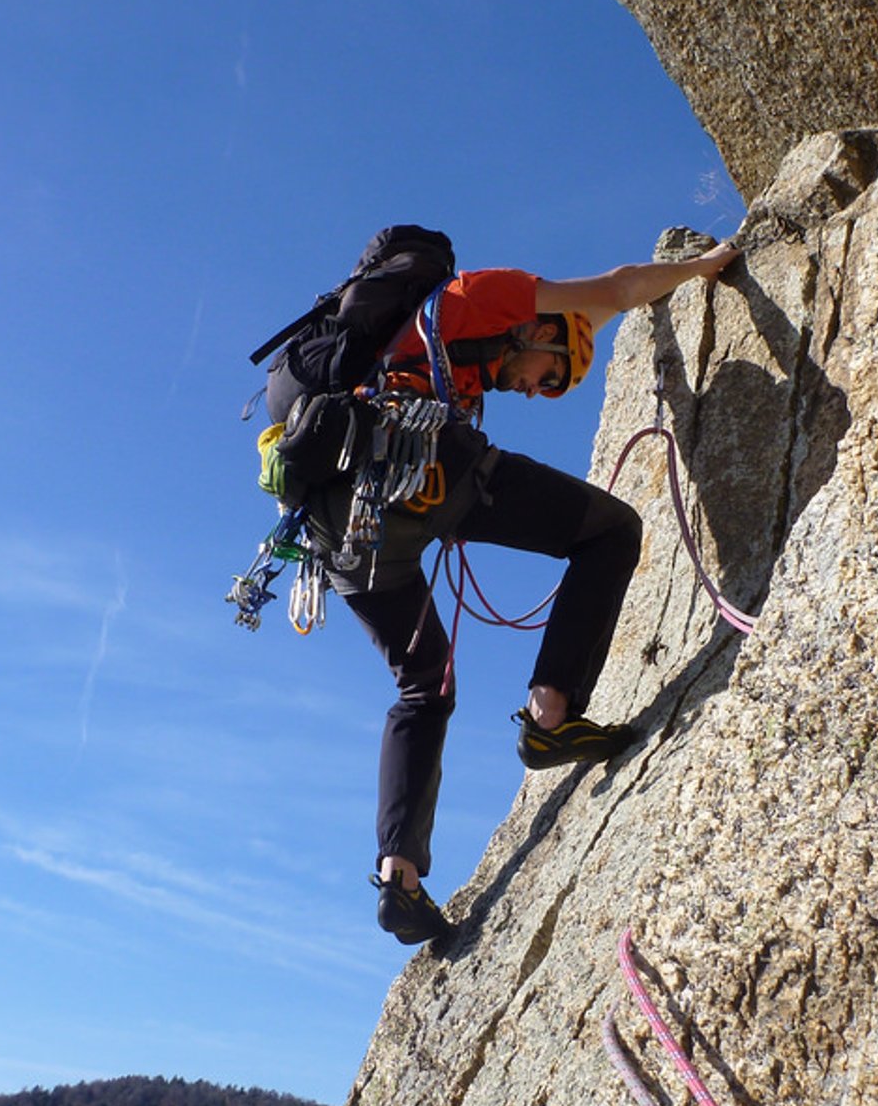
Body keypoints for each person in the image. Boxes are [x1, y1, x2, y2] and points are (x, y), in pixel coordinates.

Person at [300, 239, 741, 946]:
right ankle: (550, 716)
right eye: (550, 375)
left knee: (424, 689)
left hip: (340, 528)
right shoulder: (477, 298)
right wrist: (702, 265)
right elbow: (618, 287)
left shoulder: (414, 355)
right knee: (610, 532)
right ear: (540, 330)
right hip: (421, 469)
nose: (536, 392)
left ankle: (399, 878)